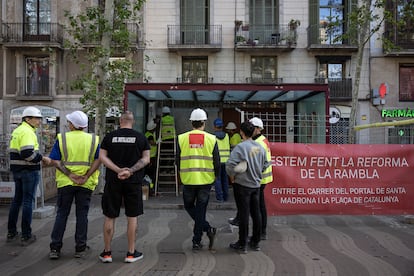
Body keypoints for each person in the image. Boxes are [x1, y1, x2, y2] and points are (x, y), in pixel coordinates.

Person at [98, 111, 150, 263]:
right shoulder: (141, 138)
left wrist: (118, 170)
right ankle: (131, 253)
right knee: (132, 216)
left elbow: (102, 157)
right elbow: (146, 159)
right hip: (133, 182)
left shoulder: (109, 137)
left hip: (113, 181)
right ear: (132, 122)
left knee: (110, 215)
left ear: (120, 120)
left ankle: (107, 253)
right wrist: (130, 171)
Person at [48, 110, 101, 259]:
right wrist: (86, 176)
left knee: (62, 214)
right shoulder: (93, 139)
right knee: (82, 215)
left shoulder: (62, 138)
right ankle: (80, 248)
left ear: (72, 125)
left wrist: (69, 174)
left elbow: (55, 161)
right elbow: (98, 160)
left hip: (66, 182)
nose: (68, 124)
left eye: (69, 122)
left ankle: (55, 248)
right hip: (85, 183)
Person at [176, 108, 220, 250]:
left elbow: (177, 160)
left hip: (188, 179)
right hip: (205, 180)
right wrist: (216, 177)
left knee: (189, 207)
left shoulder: (181, 138)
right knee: (201, 211)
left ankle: (198, 240)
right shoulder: (211, 139)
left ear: (191, 123)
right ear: (204, 122)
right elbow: (217, 161)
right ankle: (206, 230)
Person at [7, 106, 51, 246]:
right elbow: (27, 154)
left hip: (17, 170)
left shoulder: (18, 130)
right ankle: (26, 235)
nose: (39, 121)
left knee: (17, 201)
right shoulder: (27, 132)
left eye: (39, 118)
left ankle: (11, 232)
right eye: (36, 118)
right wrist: (42, 158)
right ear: (27, 119)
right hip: (28, 171)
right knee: (28, 202)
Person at [226, 121, 269, 254]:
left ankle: (242, 243)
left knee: (244, 214)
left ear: (242, 133)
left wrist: (232, 176)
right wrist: (257, 172)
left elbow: (230, 165)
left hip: (242, 185)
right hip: (256, 185)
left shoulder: (240, 147)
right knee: (256, 213)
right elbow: (266, 163)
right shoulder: (260, 147)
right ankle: (255, 242)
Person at [213, 118, 230, 202]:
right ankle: (226, 197)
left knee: (217, 179)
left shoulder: (213, 137)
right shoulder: (226, 136)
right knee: (225, 179)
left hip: (217, 162)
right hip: (226, 161)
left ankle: (220, 197)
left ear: (215, 127)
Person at [145, 120, 157, 194]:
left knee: (150, 175)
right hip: (150, 158)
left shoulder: (148, 134)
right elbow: (153, 143)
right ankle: (150, 190)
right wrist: (158, 142)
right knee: (151, 175)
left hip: (150, 157)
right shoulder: (149, 135)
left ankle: (150, 189)